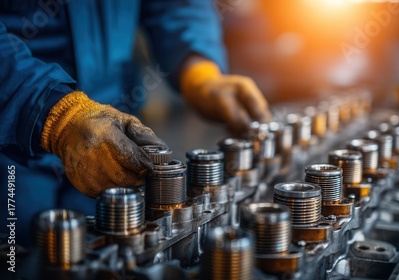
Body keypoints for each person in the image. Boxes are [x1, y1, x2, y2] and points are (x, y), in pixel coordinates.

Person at [0, 0, 271, 246]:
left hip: (112, 134)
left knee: (107, 248)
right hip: (12, 142)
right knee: (18, 255)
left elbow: (176, 5)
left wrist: (200, 70)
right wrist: (53, 112)